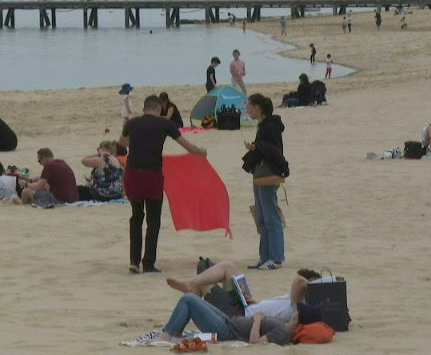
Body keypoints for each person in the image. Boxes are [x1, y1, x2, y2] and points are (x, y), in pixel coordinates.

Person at [117, 95, 207, 274]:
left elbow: (122, 146)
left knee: (136, 216)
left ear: (144, 109)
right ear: (159, 110)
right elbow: (187, 146)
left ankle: (134, 261)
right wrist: (201, 152)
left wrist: (130, 130)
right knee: (153, 220)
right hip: (152, 174)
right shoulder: (164, 124)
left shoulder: (133, 123)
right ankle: (148, 263)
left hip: (133, 174)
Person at [166, 259, 334, 321]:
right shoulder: (297, 301)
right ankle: (189, 291)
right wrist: (258, 302)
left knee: (202, 283)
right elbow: (277, 308)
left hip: (238, 315)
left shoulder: (302, 304)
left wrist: (314, 286)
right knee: (228, 266)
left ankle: (189, 290)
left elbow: (298, 281)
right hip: (246, 307)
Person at [151, 293, 296, 345]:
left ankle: (166, 335)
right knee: (192, 297)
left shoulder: (282, 332)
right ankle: (175, 332)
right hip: (230, 321)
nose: (295, 313)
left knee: (188, 299)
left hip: (227, 331)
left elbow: (255, 342)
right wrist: (259, 305)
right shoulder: (284, 324)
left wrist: (257, 320)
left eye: (298, 314)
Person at [244, 94, 286, 270]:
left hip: (268, 174)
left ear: (257, 108)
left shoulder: (270, 126)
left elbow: (275, 151)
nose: (248, 109)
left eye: (250, 106)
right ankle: (265, 256)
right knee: (261, 216)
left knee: (271, 216)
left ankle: (276, 258)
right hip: (260, 174)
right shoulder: (263, 126)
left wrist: (257, 147)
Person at [14, 148, 78, 206]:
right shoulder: (61, 163)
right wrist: (31, 180)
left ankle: (21, 203)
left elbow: (37, 188)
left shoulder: (49, 167)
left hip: (59, 200)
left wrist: (25, 184)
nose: (40, 163)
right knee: (44, 184)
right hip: (72, 198)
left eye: (39, 161)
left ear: (44, 158)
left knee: (26, 192)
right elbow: (44, 178)